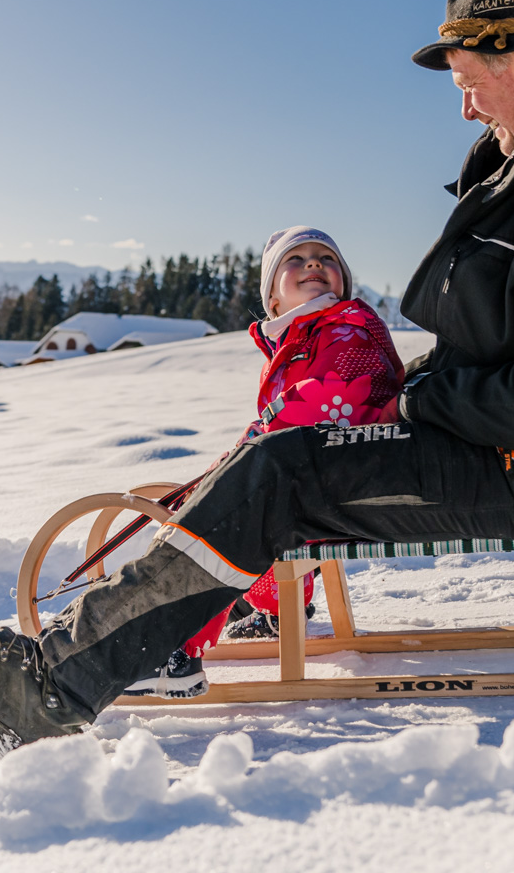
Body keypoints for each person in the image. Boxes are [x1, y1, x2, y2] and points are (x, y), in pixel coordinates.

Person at [0, 0, 514, 756]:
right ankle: (124, 647)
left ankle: (52, 689)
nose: (467, 106)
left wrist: (414, 403)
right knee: (279, 458)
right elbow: (501, 343)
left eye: (470, 80)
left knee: (284, 473)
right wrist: (422, 392)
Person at [120, 226, 406, 700]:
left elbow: (334, 402)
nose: (314, 264)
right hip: (330, 480)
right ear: (272, 298)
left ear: (343, 285)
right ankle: (270, 611)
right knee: (239, 501)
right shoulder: (299, 337)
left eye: (324, 258)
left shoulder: (347, 326)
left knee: (225, 521)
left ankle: (174, 652)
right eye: (297, 260)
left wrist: (250, 451)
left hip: (351, 481)